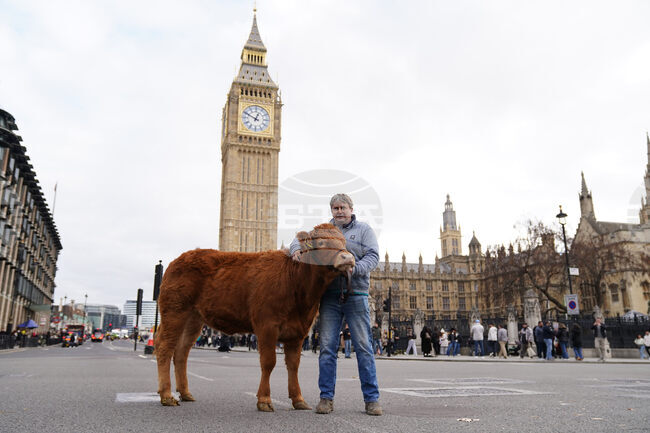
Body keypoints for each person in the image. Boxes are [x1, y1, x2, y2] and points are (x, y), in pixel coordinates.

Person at [289, 193, 381, 416]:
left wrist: (354, 268)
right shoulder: (324, 230)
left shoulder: (364, 230)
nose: (339, 211)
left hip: (356, 293)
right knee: (328, 348)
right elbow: (297, 240)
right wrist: (296, 251)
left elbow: (374, 256)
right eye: (335, 208)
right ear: (332, 211)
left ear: (351, 209)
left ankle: (372, 400)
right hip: (329, 296)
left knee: (364, 348)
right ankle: (326, 398)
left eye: (343, 207)